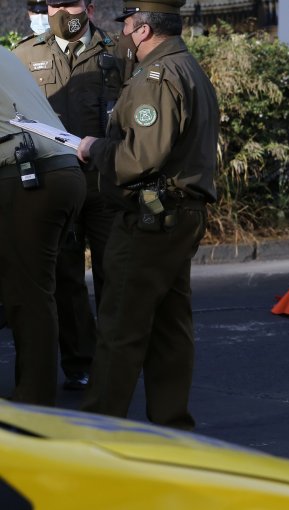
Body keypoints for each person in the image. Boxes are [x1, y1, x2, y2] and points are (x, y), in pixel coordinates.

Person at [76, 0, 219, 430]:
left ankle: (101, 432)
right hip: (179, 215)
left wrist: (92, 149)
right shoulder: (186, 67)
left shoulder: (156, 77)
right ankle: (171, 426)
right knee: (170, 328)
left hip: (150, 220)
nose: (122, 36)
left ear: (141, 30)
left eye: (126, 27)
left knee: (121, 327)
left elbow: (142, 156)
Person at [13, 0, 133, 391]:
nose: (64, 10)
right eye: (55, 3)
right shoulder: (24, 54)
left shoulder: (117, 50)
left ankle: (116, 365)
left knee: (113, 275)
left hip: (104, 181)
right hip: (54, 182)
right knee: (64, 278)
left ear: (90, 7)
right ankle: (80, 363)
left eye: (72, 2)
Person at [1, 46, 87, 406]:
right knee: (34, 287)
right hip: (61, 170)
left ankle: (34, 404)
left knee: (29, 294)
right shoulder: (5, 55)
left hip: (28, 177)